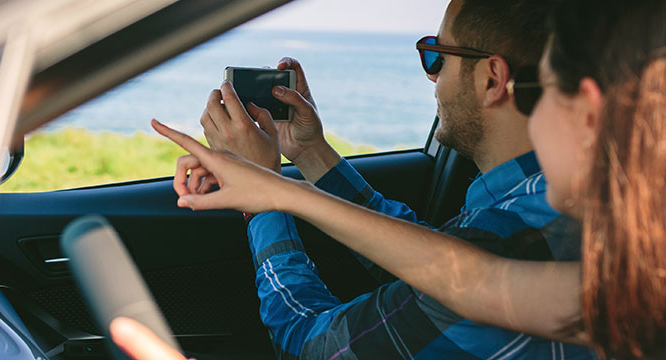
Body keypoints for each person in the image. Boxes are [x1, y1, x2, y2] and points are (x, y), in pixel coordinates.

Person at [118, 0, 666, 358]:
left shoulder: (571, 257)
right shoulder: (661, 284)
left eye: (550, 95)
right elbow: (468, 276)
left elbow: (334, 335)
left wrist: (267, 201)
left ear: (590, 114)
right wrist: (290, 177)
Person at [185, 0, 595, 358]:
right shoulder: (549, 207)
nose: (432, 75)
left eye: (437, 54)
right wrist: (310, 154)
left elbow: (310, 348)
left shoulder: (509, 240)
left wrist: (262, 198)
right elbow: (436, 263)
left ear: (491, 79)